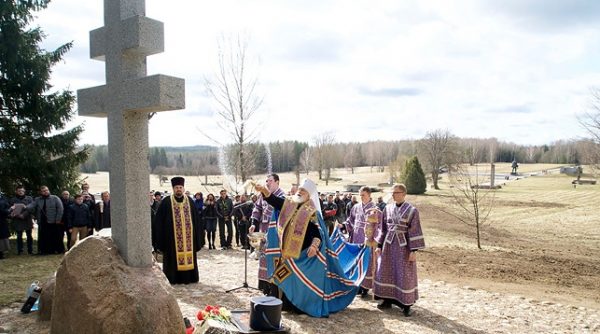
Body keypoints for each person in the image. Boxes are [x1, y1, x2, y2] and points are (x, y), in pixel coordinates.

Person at [254, 178, 371, 318]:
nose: (299, 192)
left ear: (309, 195)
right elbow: (274, 200)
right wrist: (264, 191)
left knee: (297, 280)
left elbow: (318, 232)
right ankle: (285, 303)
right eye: (299, 190)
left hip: (303, 253)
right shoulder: (289, 202)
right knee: (284, 275)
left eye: (302, 191)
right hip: (287, 250)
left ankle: (299, 305)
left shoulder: (311, 211)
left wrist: (315, 245)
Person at [374, 184, 425, 316]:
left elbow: (415, 231)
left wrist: (413, 251)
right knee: (386, 270)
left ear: (403, 193)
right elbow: (383, 228)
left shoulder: (412, 210)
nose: (393, 195)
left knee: (404, 273)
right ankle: (387, 299)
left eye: (395, 192)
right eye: (392, 192)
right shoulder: (387, 208)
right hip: (389, 246)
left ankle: (406, 304)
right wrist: (379, 246)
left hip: (404, 248)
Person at [155, 177, 202, 284]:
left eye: (180, 187)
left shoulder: (189, 201)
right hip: (171, 240)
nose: (179, 189)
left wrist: (197, 237)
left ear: (183, 188)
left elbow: (196, 220)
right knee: (172, 258)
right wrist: (160, 239)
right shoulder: (166, 202)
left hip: (188, 240)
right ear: (173, 188)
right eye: (176, 188)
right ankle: (173, 278)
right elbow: (159, 222)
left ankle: (190, 278)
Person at [249, 173, 286, 294]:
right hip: (263, 231)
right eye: (266, 181)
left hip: (275, 234)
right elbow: (257, 209)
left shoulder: (282, 196)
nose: (267, 183)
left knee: (273, 259)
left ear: (277, 182)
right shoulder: (262, 195)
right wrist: (254, 223)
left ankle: (274, 288)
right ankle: (264, 286)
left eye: (270, 181)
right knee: (263, 258)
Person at [341, 186, 380, 297]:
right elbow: (350, 220)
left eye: (363, 195)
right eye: (360, 195)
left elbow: (378, 226)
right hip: (356, 239)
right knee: (357, 263)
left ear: (369, 195)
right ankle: (357, 285)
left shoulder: (375, 209)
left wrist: (374, 239)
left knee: (367, 263)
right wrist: (343, 225)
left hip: (368, 241)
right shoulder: (356, 207)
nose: (361, 197)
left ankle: (365, 287)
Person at [24, 186, 64, 255]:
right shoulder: (38, 199)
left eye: (47, 190)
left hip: (53, 221)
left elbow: (60, 209)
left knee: (55, 236)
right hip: (42, 221)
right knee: (43, 237)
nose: (46, 192)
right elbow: (32, 205)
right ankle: (44, 251)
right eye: (43, 191)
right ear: (40, 192)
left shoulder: (55, 198)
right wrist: (25, 207)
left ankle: (58, 250)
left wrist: (58, 219)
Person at [9, 186, 34, 255]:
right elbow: (10, 210)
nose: (21, 192)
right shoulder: (12, 199)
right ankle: (20, 250)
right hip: (17, 220)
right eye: (19, 191)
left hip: (27, 219)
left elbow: (31, 208)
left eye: (22, 191)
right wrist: (13, 214)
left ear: (24, 191)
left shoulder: (29, 199)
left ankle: (30, 250)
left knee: (29, 235)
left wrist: (23, 215)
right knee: (19, 236)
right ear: (16, 191)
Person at [0, 195, 10, 259]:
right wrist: (10, 210)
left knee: (2, 237)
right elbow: (2, 210)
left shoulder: (3, 198)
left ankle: (1, 253)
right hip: (1, 221)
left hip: (2, 221)